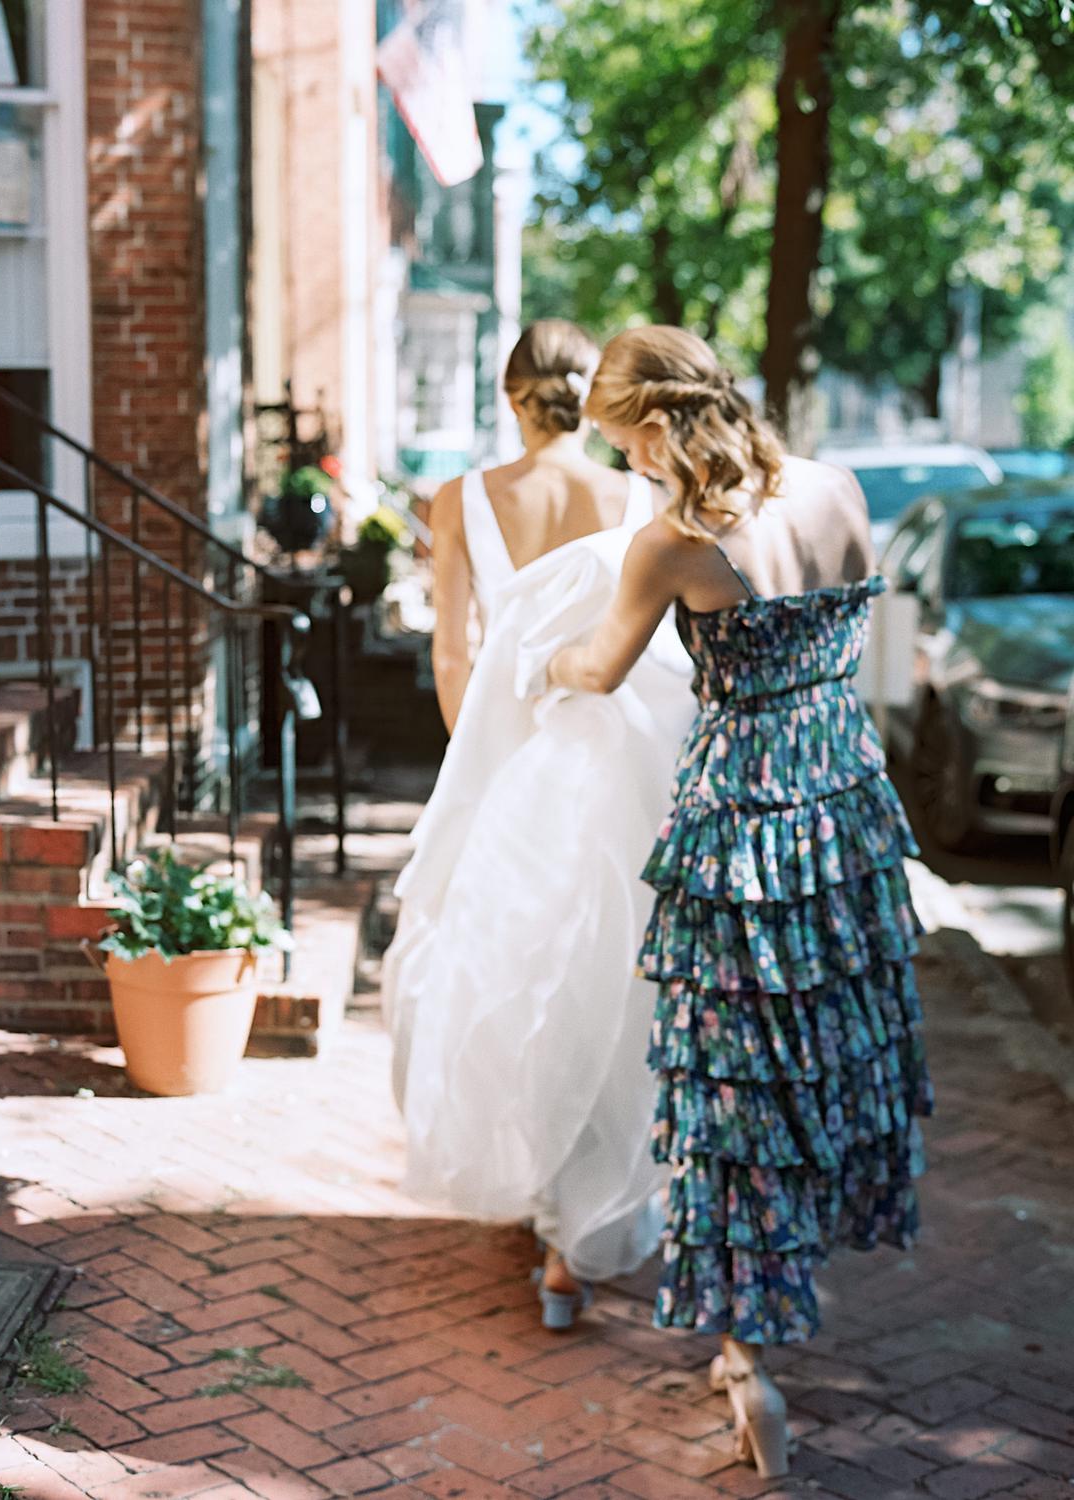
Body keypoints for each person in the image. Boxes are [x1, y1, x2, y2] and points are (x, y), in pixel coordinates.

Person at [547, 326, 932, 1478]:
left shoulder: (673, 543)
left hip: (741, 825)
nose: (632, 470)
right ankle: (784, 1292)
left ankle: (750, 1356)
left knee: (731, 1082)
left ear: (658, 426)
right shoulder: (837, 486)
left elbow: (602, 667)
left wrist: (544, 659)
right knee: (827, 1048)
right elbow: (863, 643)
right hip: (844, 800)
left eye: (628, 446)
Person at [382, 320, 695, 1326]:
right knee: (607, 980)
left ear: (511, 394)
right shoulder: (637, 494)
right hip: (617, 762)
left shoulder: (462, 499)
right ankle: (577, 1239)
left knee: (508, 977)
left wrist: (480, 762)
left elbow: (452, 655)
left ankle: (539, 1196)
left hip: (510, 762)